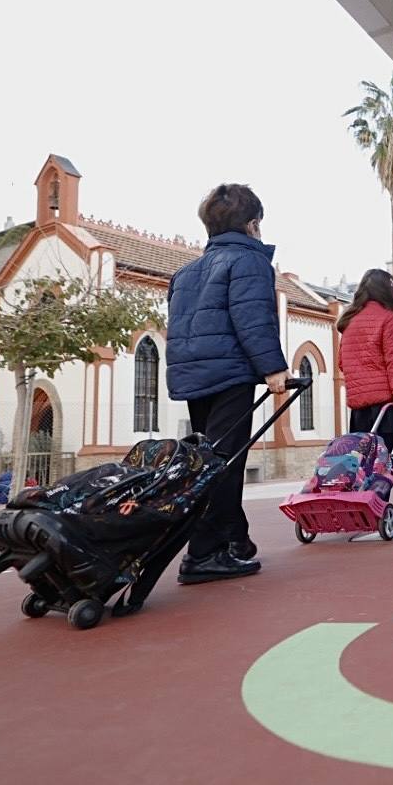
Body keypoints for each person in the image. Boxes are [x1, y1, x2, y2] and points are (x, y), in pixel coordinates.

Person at [167, 183, 290, 585]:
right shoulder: (250, 262)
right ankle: (204, 555)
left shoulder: (186, 273)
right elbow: (252, 318)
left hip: (195, 378)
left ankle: (236, 541)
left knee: (214, 460)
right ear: (253, 224)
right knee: (222, 466)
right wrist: (272, 368)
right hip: (232, 375)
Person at [337, 268, 393, 522]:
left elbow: (341, 363)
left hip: (358, 404)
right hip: (384, 401)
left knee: (363, 458)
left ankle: (360, 502)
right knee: (384, 458)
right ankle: (379, 506)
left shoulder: (349, 321)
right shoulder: (388, 318)